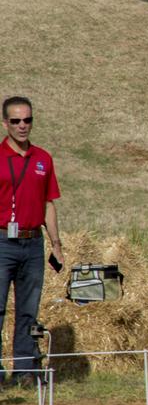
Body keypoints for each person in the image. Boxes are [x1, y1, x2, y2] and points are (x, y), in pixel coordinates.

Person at [0, 97, 61, 386]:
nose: (22, 125)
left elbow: (49, 204)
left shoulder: (43, 159)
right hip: (2, 243)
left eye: (27, 120)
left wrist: (56, 245)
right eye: (16, 121)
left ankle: (24, 371)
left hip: (33, 243)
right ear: (5, 123)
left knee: (28, 309)